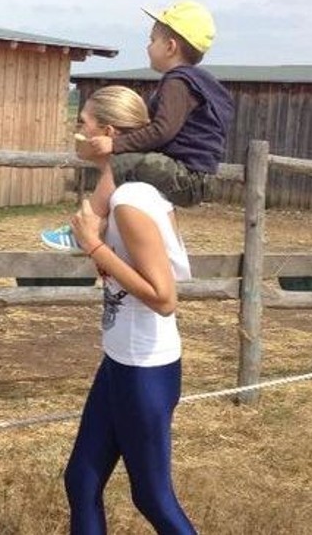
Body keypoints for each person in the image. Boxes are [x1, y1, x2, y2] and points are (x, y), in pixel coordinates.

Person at [62, 86, 196, 534]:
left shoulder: (131, 202)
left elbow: (164, 297)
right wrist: (106, 260)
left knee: (152, 497)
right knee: (81, 478)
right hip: (120, 359)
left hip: (145, 367)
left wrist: (96, 247)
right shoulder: (122, 189)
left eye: (82, 124)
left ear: (108, 131)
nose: (77, 132)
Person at [41, 0, 234, 253]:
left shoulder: (177, 83)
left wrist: (115, 143)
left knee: (119, 164)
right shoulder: (199, 83)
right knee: (128, 171)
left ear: (170, 47)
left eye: (152, 40)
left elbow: (163, 130)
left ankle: (84, 231)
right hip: (193, 175)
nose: (148, 46)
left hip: (187, 176)